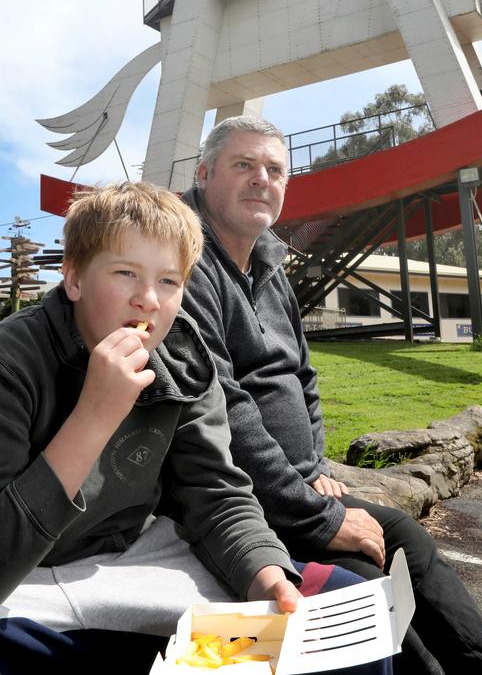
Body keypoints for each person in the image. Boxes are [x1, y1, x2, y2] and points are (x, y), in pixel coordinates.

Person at [182, 116, 482, 675]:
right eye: (243, 165)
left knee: (407, 542)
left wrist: (315, 461)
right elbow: (226, 409)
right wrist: (317, 516)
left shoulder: (271, 268)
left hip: (303, 485)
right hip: (242, 498)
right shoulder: (182, 263)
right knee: (369, 589)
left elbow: (303, 376)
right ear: (203, 174)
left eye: (274, 170)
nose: (261, 179)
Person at [0, 182, 391, 675]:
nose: (148, 301)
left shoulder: (183, 358)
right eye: (126, 273)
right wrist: (95, 416)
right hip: (28, 587)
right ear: (74, 278)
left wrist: (264, 574)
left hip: (141, 563)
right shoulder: (13, 363)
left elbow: (217, 491)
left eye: (169, 281)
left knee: (344, 611)